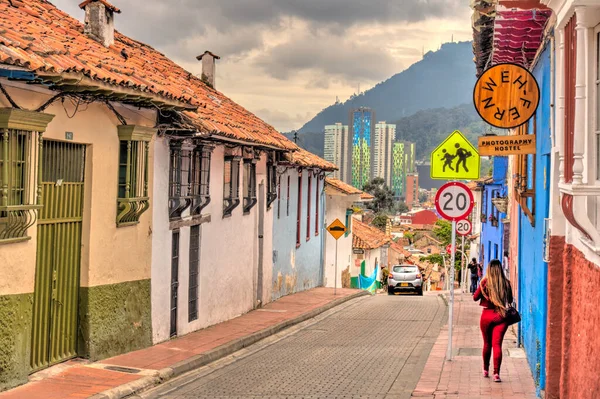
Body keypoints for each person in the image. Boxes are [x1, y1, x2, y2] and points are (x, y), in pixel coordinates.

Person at [473, 259, 513, 383]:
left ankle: (485, 370)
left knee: (487, 344)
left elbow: (475, 297)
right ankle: (496, 374)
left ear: (489, 269)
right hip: (501, 316)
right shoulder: (506, 283)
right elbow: (510, 299)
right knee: (497, 345)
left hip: (486, 316)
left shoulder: (484, 283)